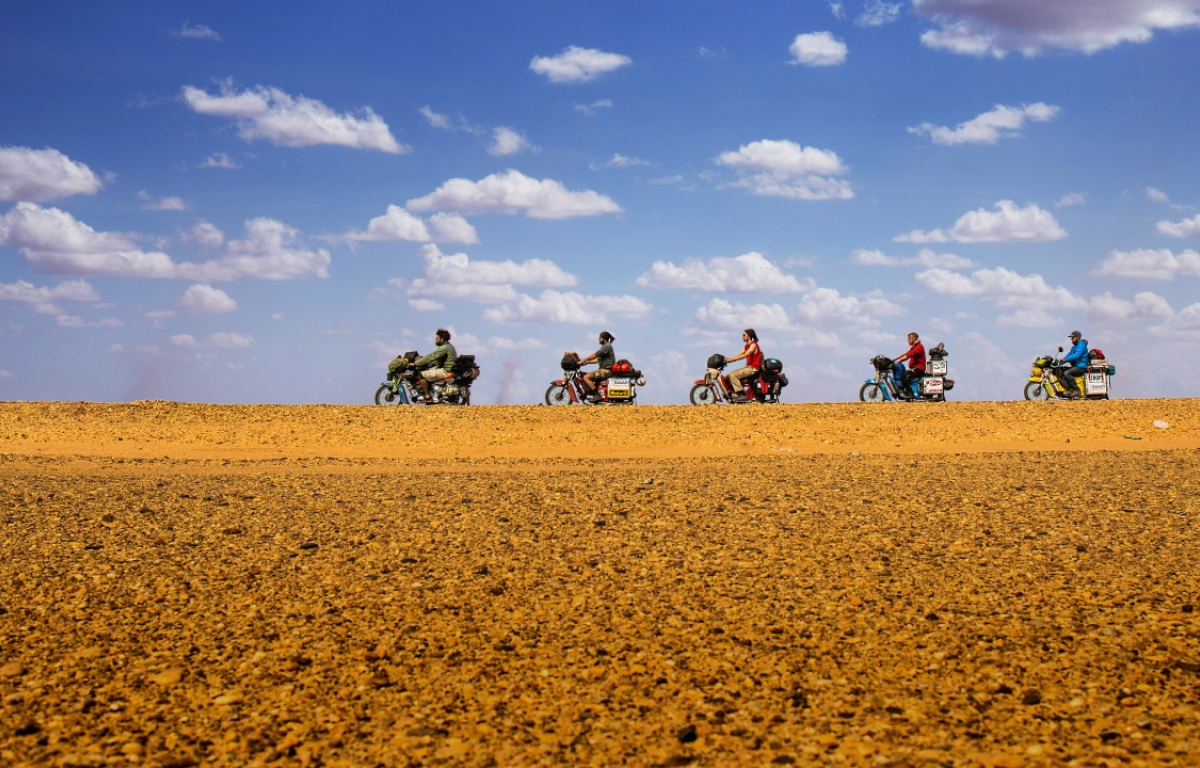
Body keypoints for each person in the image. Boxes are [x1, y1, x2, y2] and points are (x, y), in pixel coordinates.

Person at [409, 328, 457, 402]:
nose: (435, 339)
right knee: (429, 373)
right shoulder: (449, 347)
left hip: (445, 371)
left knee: (422, 375)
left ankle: (427, 396)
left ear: (442, 339)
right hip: (449, 370)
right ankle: (434, 393)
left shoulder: (444, 347)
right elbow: (436, 361)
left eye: (437, 338)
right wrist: (428, 365)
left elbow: (431, 357)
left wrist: (415, 363)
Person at [725, 328, 762, 403]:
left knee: (733, 375)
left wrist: (732, 360)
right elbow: (740, 354)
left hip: (753, 368)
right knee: (728, 375)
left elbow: (746, 354)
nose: (742, 336)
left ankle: (741, 395)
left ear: (749, 336)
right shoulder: (746, 346)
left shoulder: (753, 345)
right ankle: (733, 393)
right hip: (748, 367)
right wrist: (729, 359)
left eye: (744, 335)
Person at [579, 331, 616, 402]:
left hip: (606, 370)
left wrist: (584, 360)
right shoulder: (606, 347)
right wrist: (587, 362)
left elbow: (594, 355)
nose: (598, 339)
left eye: (600, 338)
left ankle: (597, 395)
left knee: (586, 377)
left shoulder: (606, 347)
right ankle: (592, 394)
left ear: (603, 339)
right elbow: (597, 360)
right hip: (604, 370)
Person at [893, 332, 926, 400]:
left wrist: (899, 360)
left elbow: (909, 354)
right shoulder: (914, 346)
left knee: (903, 376)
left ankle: (910, 394)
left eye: (909, 338)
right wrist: (895, 360)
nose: (908, 340)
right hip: (915, 368)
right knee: (903, 374)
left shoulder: (919, 346)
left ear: (914, 338)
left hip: (918, 369)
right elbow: (906, 354)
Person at [1057, 330, 1089, 398]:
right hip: (1076, 366)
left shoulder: (1081, 345)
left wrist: (1066, 359)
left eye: (1073, 337)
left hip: (1081, 366)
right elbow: (1068, 356)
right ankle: (1068, 389)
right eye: (1071, 338)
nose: (1071, 339)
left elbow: (1077, 355)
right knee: (1062, 371)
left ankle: (1077, 390)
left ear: (1077, 337)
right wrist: (1058, 363)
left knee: (1067, 373)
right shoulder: (1074, 347)